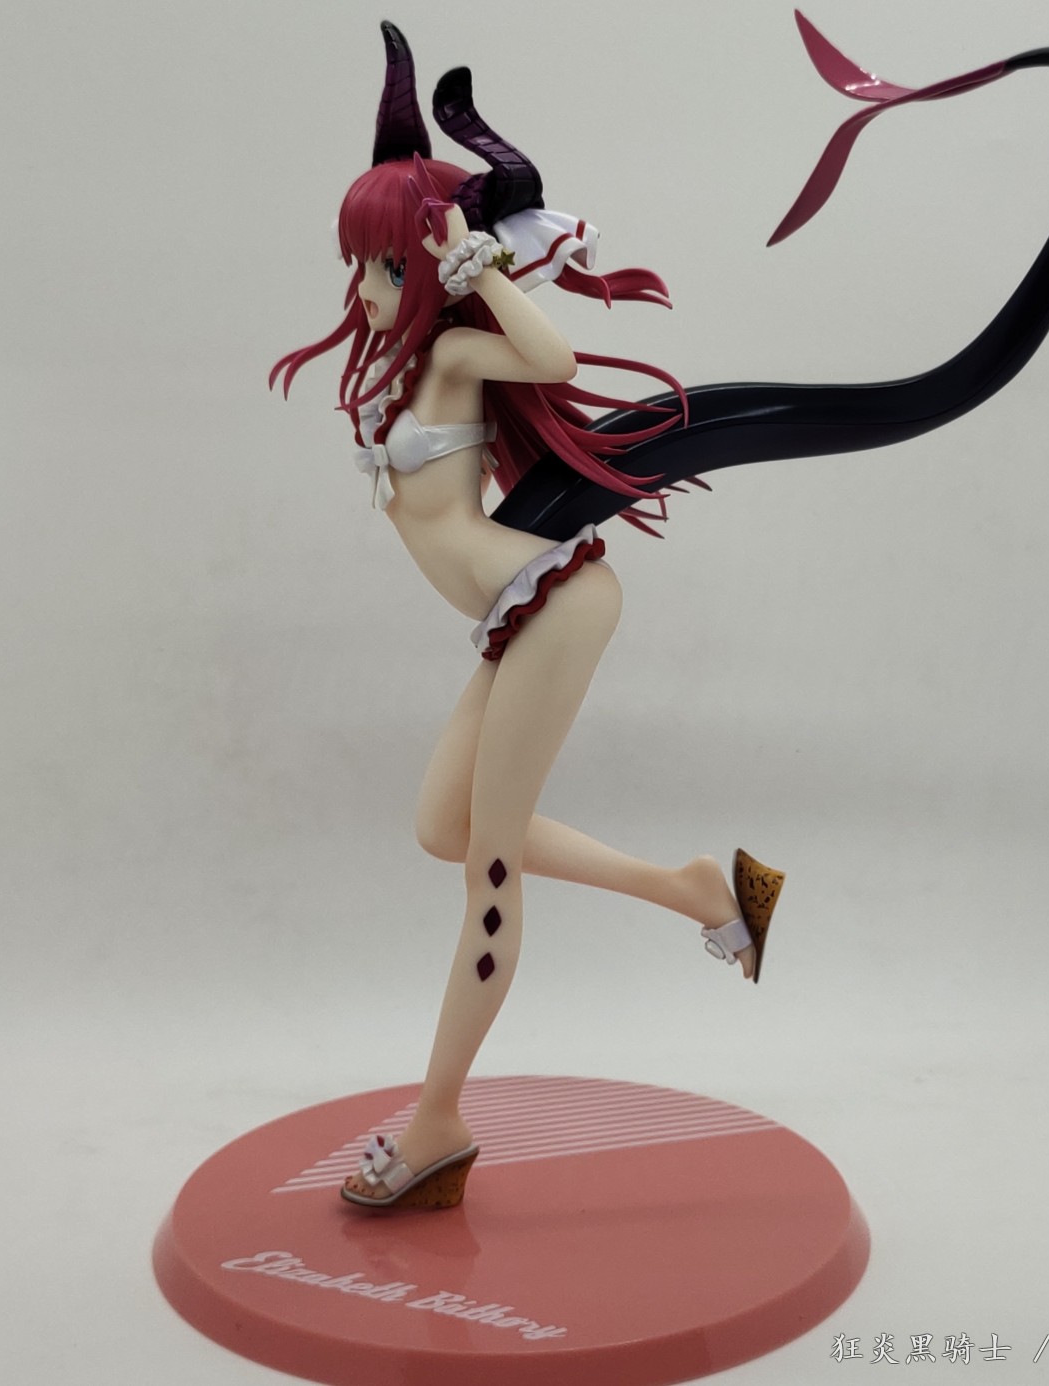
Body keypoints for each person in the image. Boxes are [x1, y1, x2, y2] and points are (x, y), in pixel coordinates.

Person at [271, 23, 784, 1212]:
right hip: (515, 612)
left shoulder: (455, 349)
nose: (366, 288)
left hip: (552, 599)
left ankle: (437, 1122)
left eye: (387, 265)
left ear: (431, 266)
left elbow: (547, 353)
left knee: (486, 867)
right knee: (443, 828)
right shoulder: (402, 370)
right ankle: (701, 890)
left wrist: (476, 269)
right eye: (361, 265)